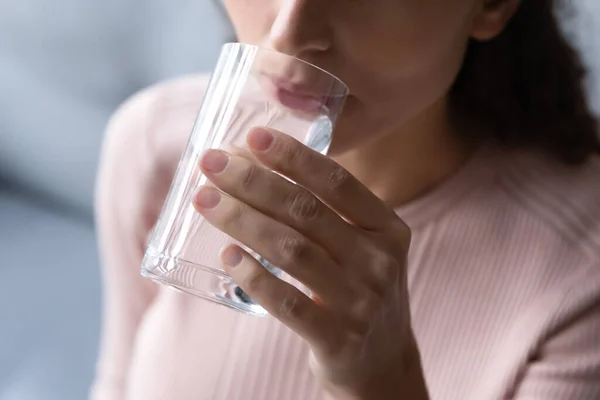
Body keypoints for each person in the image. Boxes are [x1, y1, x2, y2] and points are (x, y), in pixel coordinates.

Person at [91, 0, 600, 399]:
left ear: (492, 4)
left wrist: (381, 383)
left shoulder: (579, 276)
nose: (289, 33)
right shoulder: (156, 145)